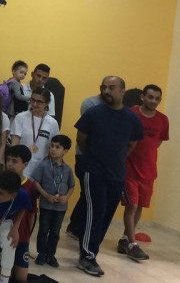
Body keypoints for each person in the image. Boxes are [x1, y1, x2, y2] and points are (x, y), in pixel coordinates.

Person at [75, 76, 143, 276]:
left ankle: (92, 252)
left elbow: (132, 144)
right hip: (93, 171)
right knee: (94, 213)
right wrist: (96, 158)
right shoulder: (93, 113)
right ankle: (87, 256)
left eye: (111, 88)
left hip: (117, 175)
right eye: (103, 87)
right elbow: (81, 139)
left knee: (106, 215)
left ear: (122, 91)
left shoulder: (132, 119)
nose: (106, 91)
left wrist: (115, 159)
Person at [118, 84, 169, 261]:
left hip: (149, 171)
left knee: (139, 206)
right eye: (150, 97)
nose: (153, 101)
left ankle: (125, 239)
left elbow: (158, 142)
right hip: (129, 169)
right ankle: (133, 245)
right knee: (131, 205)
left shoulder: (163, 119)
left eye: (157, 98)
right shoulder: (131, 114)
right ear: (142, 97)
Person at [32, 134, 75, 268]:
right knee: (43, 229)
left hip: (60, 208)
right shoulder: (43, 165)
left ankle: (51, 254)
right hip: (46, 205)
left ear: (65, 151)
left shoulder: (67, 169)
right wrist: (45, 195)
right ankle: (41, 253)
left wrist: (66, 197)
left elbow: (72, 186)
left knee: (55, 232)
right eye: (52, 146)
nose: (53, 149)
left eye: (57, 147)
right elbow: (36, 182)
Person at [66, 88, 104, 240]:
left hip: (102, 158)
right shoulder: (90, 103)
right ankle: (75, 226)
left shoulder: (117, 108)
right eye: (106, 87)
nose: (108, 91)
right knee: (87, 191)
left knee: (92, 193)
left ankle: (77, 226)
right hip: (85, 155)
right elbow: (87, 132)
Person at [0, 145, 38, 283]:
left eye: (14, 161)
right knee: (2, 275)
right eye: (8, 160)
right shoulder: (0, 182)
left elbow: (32, 213)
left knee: (21, 278)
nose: (9, 164)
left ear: (25, 165)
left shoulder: (30, 187)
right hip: (3, 234)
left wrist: (27, 235)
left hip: (21, 237)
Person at [11, 87, 59, 179]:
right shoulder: (20, 117)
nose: (34, 104)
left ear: (47, 103)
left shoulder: (52, 123)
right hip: (21, 168)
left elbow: (53, 149)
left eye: (39, 102)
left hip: (41, 169)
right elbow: (14, 145)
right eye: (32, 100)